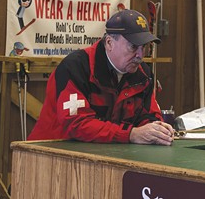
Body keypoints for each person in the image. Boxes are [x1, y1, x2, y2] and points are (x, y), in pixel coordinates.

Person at [28, 9, 175, 145]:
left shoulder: (143, 74)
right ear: (110, 43)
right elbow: (77, 124)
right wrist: (130, 134)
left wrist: (156, 131)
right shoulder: (75, 68)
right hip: (51, 153)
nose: (140, 55)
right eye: (133, 47)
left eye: (144, 47)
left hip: (105, 155)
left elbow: (149, 116)